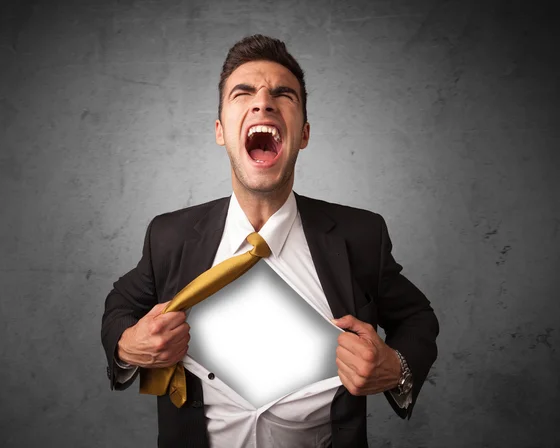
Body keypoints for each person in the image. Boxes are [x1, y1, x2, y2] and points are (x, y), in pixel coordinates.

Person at [101, 34, 439, 448]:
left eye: (283, 94)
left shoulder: (361, 236)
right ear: (221, 131)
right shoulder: (168, 236)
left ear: (304, 134)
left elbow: (418, 317)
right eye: (243, 93)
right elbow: (121, 305)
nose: (263, 102)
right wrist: (127, 345)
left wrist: (396, 366)